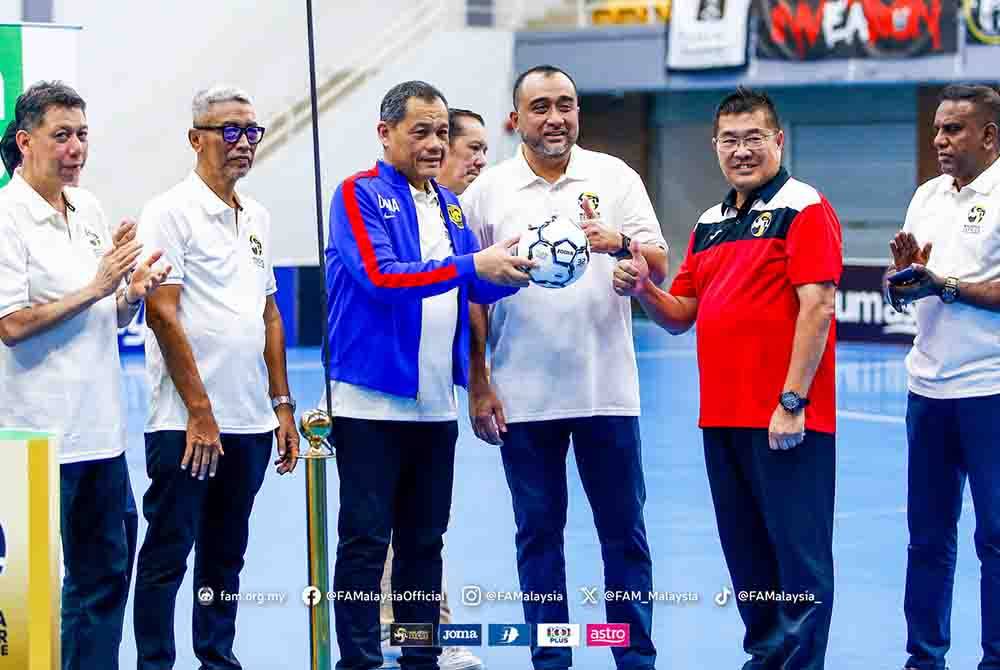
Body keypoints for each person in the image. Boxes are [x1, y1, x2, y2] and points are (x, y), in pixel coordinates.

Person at [614, 87, 841, 670]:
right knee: (749, 560)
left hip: (787, 420)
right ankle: (764, 657)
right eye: (730, 140)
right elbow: (680, 314)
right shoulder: (710, 222)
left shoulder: (805, 206)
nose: (742, 151)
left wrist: (792, 400)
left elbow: (817, 307)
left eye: (754, 138)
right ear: (715, 146)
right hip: (721, 419)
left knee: (799, 561)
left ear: (778, 140)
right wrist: (643, 287)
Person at [461, 64, 668, 670]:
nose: (556, 118)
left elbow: (656, 257)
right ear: (516, 118)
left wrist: (624, 252)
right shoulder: (488, 191)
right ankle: (552, 660)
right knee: (539, 540)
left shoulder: (614, 176)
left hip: (607, 393)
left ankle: (633, 658)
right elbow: (469, 291)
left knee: (624, 539)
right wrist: (480, 380)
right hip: (523, 398)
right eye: (541, 107)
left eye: (567, 105)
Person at [325, 80, 532, 670]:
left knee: (424, 543)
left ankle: (420, 656)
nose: (436, 144)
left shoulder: (447, 203)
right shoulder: (357, 194)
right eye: (421, 131)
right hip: (370, 404)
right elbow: (381, 277)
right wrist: (474, 263)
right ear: (385, 133)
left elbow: (475, 281)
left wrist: (526, 265)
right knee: (365, 543)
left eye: (442, 132)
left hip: (434, 405)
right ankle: (359, 661)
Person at [0, 80, 169, 670]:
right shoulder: (6, 218)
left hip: (101, 436)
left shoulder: (90, 208)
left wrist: (129, 295)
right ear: (25, 142)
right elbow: (12, 324)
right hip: (33, 441)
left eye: (83, 135)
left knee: (103, 582)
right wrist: (96, 286)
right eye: (61, 136)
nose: (76, 148)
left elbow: (106, 311)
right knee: (30, 595)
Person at [133, 85, 300, 670]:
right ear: (195, 138)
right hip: (185, 424)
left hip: (250, 421)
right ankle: (155, 663)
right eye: (229, 130)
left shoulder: (257, 216)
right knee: (167, 555)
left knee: (226, 557)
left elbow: (270, 312)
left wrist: (282, 403)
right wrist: (200, 413)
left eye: (251, 130)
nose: (243, 143)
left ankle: (216, 659)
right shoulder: (169, 211)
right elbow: (161, 311)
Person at [885, 84, 1000, 670]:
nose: (939, 140)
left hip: (991, 394)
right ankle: (923, 659)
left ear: (989, 134)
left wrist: (944, 285)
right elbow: (907, 286)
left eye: (953, 129)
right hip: (926, 392)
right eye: (936, 129)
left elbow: (957, 287)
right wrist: (902, 277)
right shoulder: (927, 195)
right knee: (927, 540)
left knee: (996, 540)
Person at [375, 106, 489, 670]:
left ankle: (416, 631)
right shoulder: (383, 207)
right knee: (390, 526)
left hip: (433, 394)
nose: (475, 161)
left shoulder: (452, 215)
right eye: (470, 149)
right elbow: (387, 282)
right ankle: (405, 630)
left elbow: (472, 302)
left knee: (422, 528)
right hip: (382, 390)